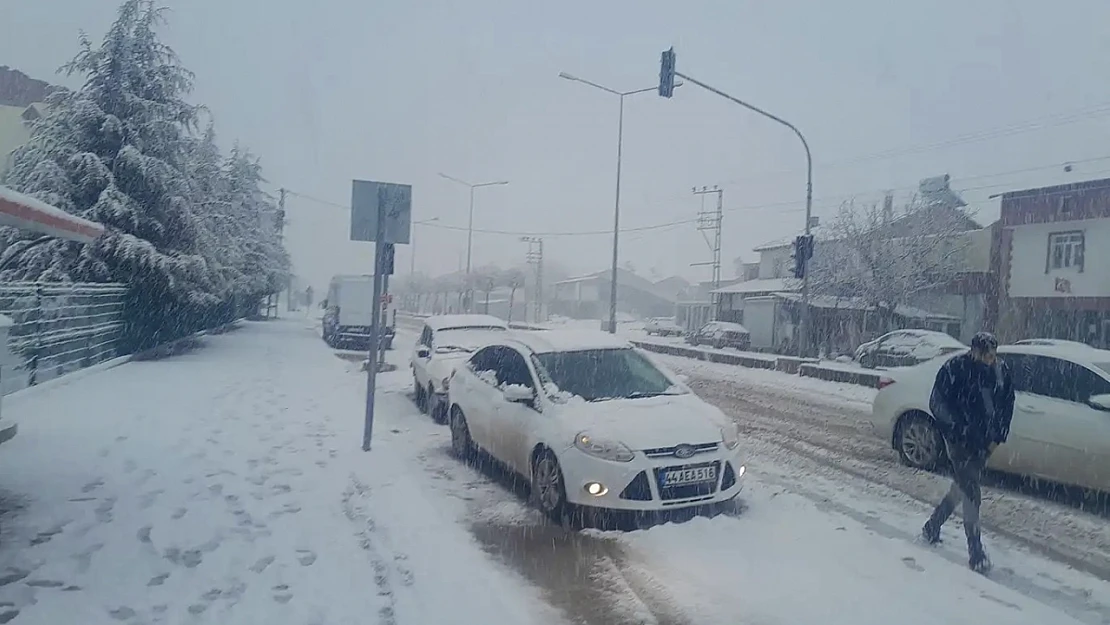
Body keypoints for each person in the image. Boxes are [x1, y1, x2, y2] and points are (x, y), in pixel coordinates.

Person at [922, 331, 1014, 573]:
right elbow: (938, 403)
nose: (990, 359)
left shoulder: (1000, 372)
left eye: (994, 354)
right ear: (974, 351)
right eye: (986, 354)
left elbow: (1007, 404)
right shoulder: (955, 369)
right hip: (958, 442)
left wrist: (997, 437)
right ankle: (976, 551)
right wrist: (957, 431)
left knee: (962, 486)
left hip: (985, 442)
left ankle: (933, 525)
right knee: (972, 491)